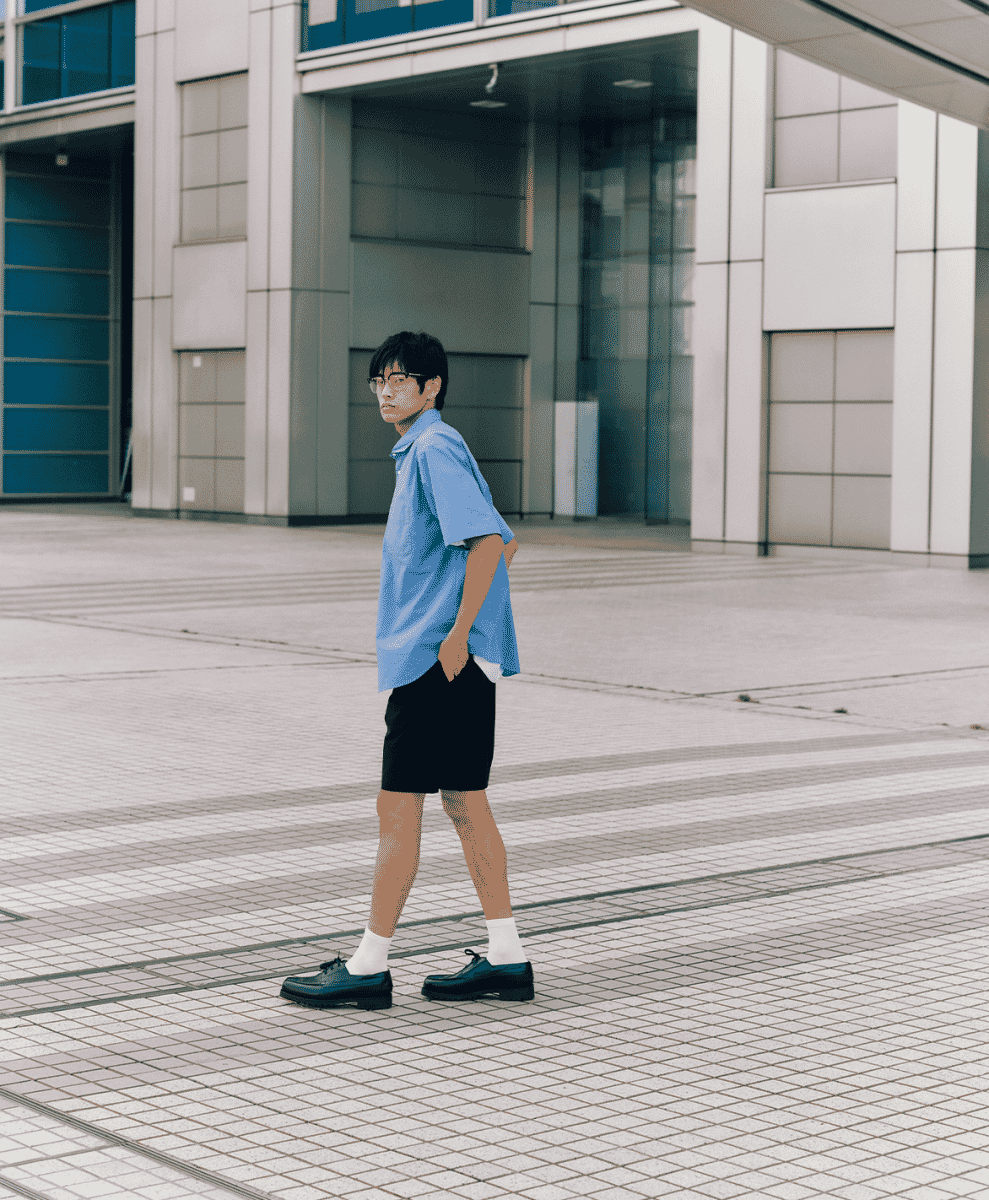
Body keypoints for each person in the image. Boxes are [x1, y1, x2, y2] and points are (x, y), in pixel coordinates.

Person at [280, 331, 532, 1011]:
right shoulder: (428, 448)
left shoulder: (432, 448)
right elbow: (506, 540)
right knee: (463, 802)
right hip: (452, 661)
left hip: (435, 664)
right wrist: (472, 629)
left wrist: (453, 635)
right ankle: (506, 959)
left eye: (401, 379)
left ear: (432, 387)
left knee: (398, 809)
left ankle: (368, 967)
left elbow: (485, 545)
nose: (387, 391)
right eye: (379, 381)